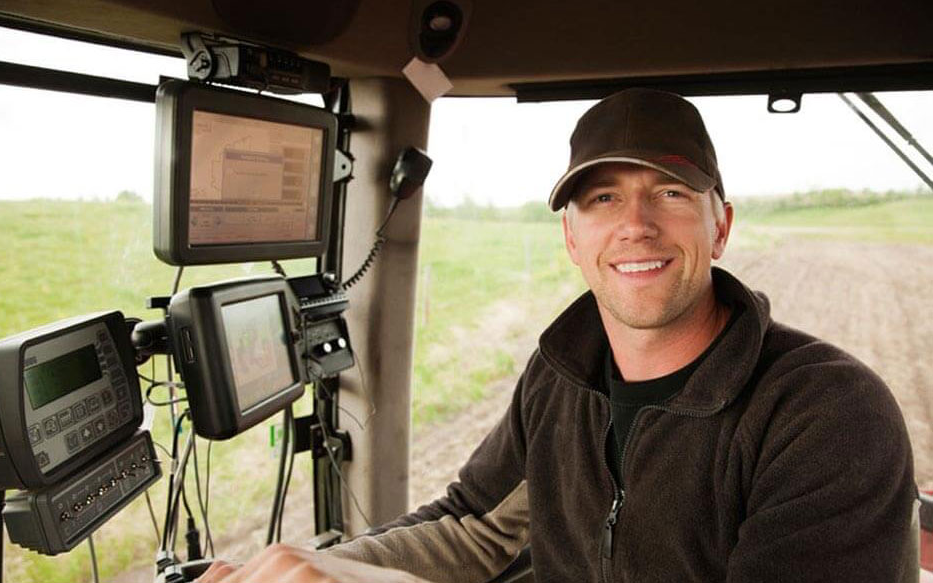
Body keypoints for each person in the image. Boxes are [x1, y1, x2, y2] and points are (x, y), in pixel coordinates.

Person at [200, 88, 918, 583]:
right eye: (602, 197)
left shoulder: (829, 414)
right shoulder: (561, 377)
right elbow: (472, 526)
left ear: (719, 226)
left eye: (669, 192)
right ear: (573, 238)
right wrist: (315, 565)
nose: (635, 224)